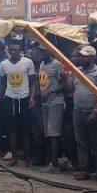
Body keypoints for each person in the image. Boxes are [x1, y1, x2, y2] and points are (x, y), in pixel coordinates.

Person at [0, 42, 37, 167]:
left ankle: (28, 158)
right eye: (11, 49)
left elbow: (33, 82)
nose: (13, 52)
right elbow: (2, 84)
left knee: (25, 131)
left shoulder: (28, 62)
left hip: (24, 99)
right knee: (11, 130)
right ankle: (14, 157)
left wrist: (32, 97)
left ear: (21, 50)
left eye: (16, 49)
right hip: (10, 99)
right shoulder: (4, 64)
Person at [71, 46, 97, 181]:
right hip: (78, 110)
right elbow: (72, 88)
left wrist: (95, 110)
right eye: (80, 56)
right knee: (81, 142)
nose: (80, 58)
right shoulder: (77, 71)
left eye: (84, 56)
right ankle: (84, 170)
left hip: (93, 112)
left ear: (92, 57)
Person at [36, 44, 69, 174]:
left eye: (43, 51)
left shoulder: (57, 65)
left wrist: (53, 90)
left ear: (49, 52)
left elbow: (65, 83)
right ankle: (53, 161)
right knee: (48, 133)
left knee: (53, 134)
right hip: (45, 103)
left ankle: (54, 165)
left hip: (56, 101)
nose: (40, 53)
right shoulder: (42, 65)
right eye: (39, 51)